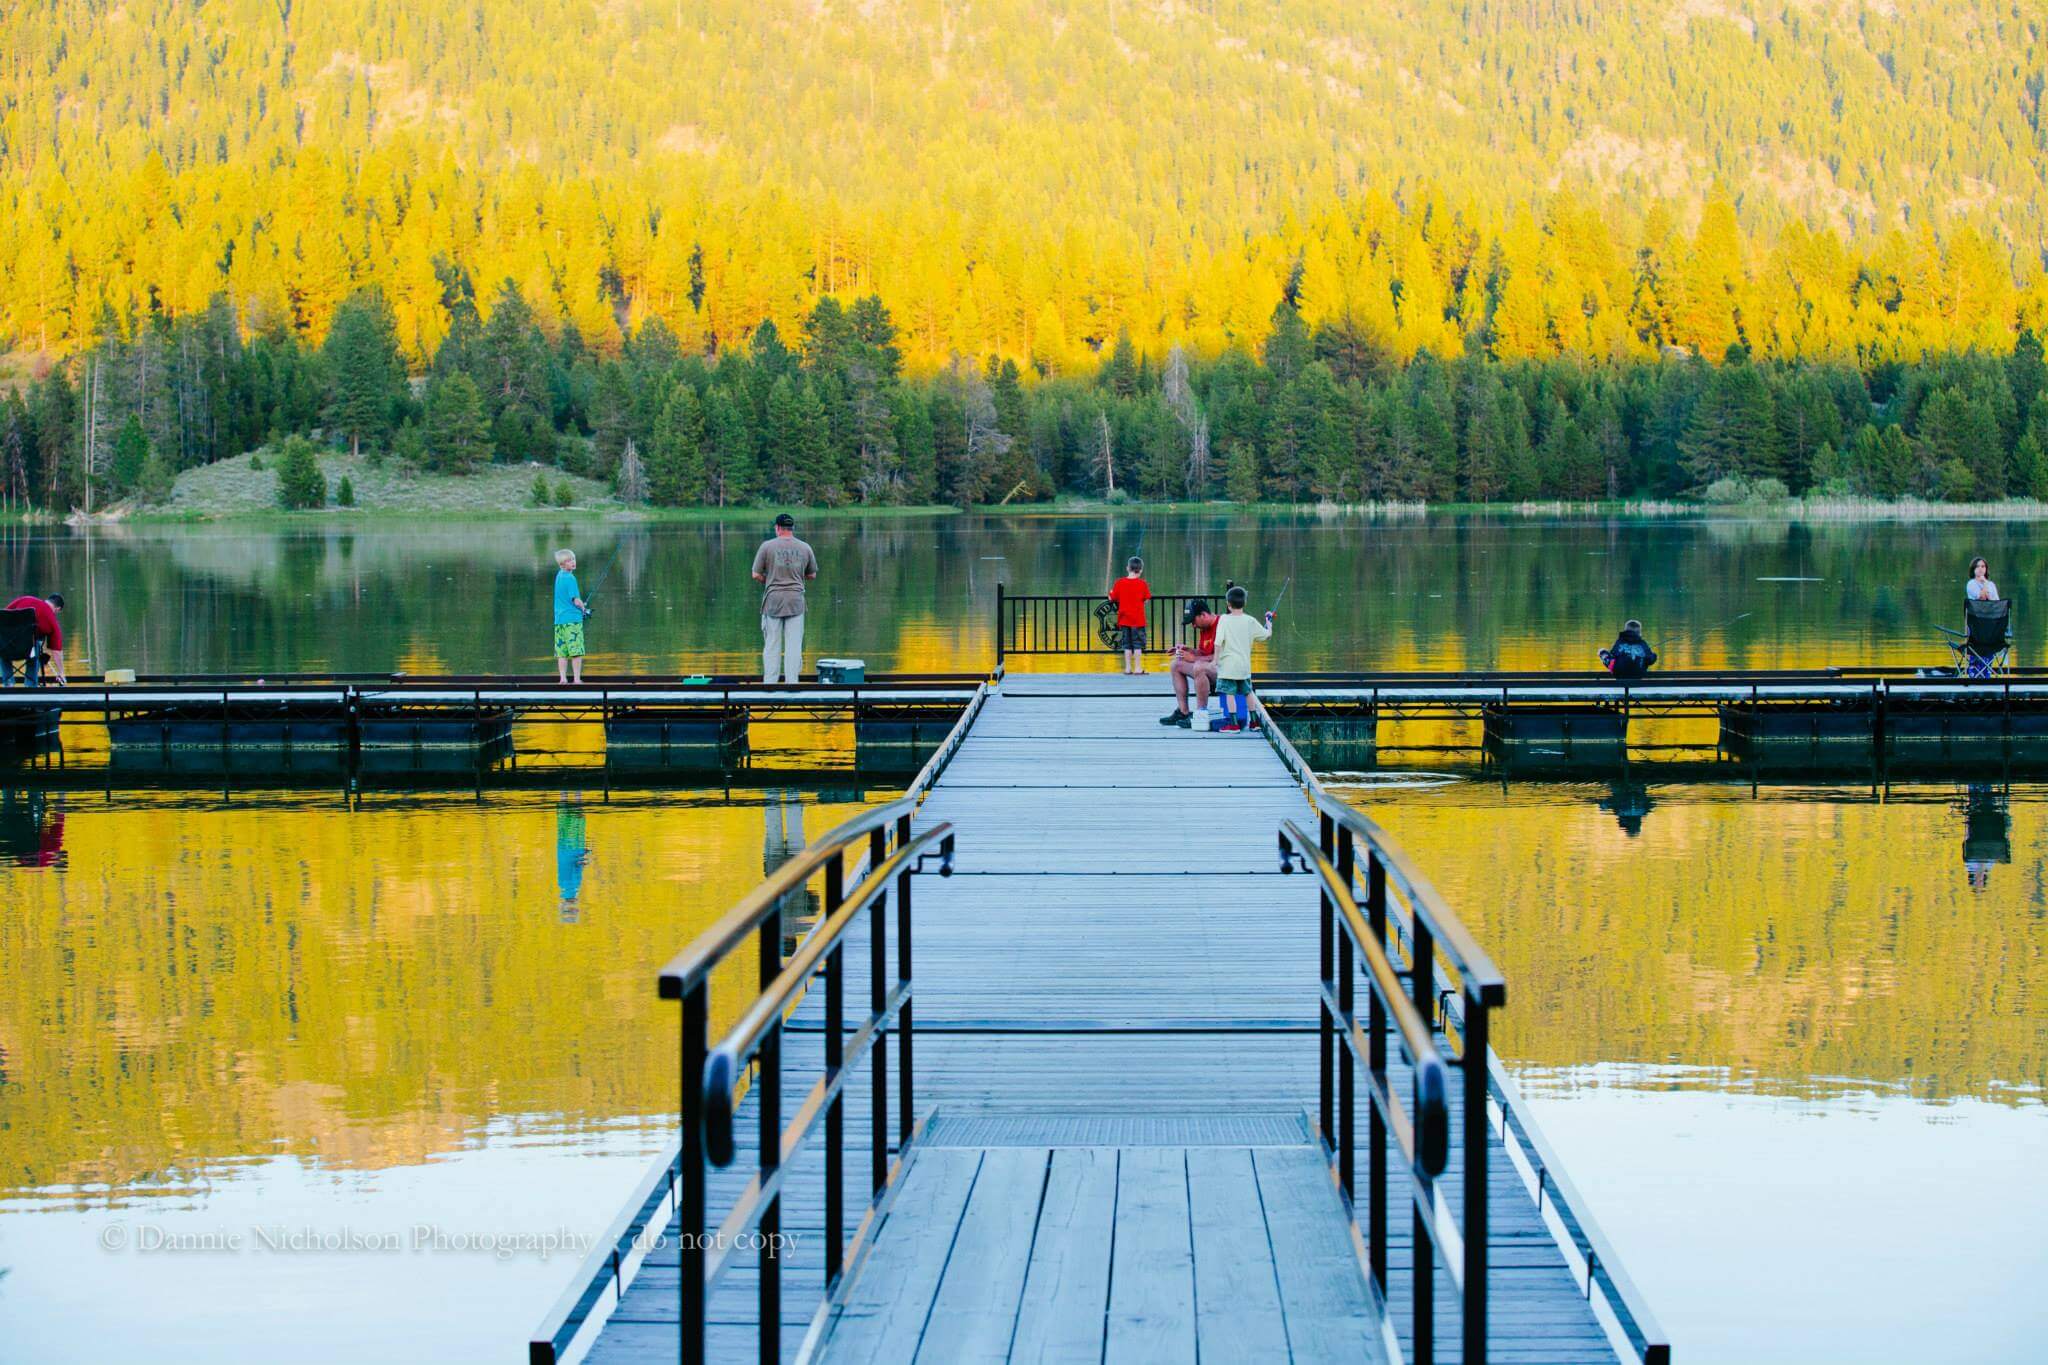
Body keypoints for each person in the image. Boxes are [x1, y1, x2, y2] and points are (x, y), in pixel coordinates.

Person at [752, 513, 818, 684]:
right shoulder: (805, 547)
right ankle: (792, 683)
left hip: (773, 600)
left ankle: (770, 683)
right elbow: (812, 575)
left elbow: (755, 574)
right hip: (796, 601)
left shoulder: (767, 546)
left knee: (772, 644)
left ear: (778, 528)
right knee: (794, 646)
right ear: (792, 528)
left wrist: (769, 580)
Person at [1212, 584, 1275, 733]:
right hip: (1244, 666)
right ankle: (1254, 722)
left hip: (1228, 666)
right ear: (1244, 603)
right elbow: (1266, 635)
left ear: (1228, 604)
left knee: (1230, 694)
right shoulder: (1250, 620)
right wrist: (1269, 623)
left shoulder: (1224, 620)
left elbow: (1218, 642)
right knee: (1248, 692)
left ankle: (1233, 724)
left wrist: (1215, 660)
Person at [1159, 597, 1219, 727]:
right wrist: (1189, 650)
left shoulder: (1222, 625)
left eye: (1193, 621)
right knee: (1176, 665)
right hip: (1210, 667)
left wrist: (1195, 659)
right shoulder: (1204, 628)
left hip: (1225, 671)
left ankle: (1200, 715)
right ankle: (1183, 712)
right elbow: (1204, 653)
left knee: (1199, 667)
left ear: (1203, 615)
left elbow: (1223, 656)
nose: (1193, 625)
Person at [2, 592, 65, 686]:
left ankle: (8, 683)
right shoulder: (52, 620)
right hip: (29, 651)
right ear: (57, 609)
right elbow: (56, 651)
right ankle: (30, 685)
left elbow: (3, 615)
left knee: (2, 648)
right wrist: (61, 672)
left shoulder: (24, 599)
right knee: (36, 647)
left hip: (7, 648)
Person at [1106, 556, 1151, 675]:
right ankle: (1137, 668)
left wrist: (1111, 593)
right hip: (1138, 620)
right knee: (1137, 645)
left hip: (1124, 619)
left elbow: (1113, 597)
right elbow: (1146, 599)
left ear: (1127, 568)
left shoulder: (1119, 582)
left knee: (1126, 644)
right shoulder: (1142, 584)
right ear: (1140, 570)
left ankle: (1127, 668)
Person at [552, 549, 587, 684]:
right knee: (576, 651)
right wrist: (583, 607)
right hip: (572, 620)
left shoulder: (559, 575)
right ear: (562, 565)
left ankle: (563, 678)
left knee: (562, 651)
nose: (572, 562)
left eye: (573, 559)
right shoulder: (570, 578)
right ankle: (577, 679)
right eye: (568, 561)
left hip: (559, 621)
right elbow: (575, 600)